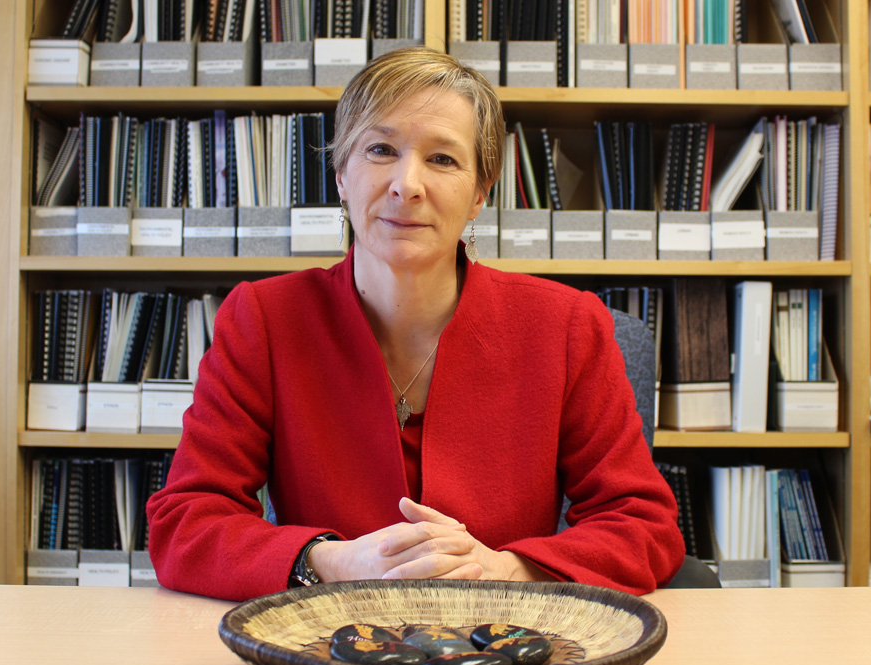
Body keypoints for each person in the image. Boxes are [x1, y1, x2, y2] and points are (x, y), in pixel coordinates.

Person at [146, 47, 685, 601]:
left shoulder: (567, 326)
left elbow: (644, 526)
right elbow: (186, 521)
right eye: (381, 149)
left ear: (480, 192)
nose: (407, 184)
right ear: (341, 174)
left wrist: (504, 570)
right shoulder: (263, 318)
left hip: (506, 649)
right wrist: (330, 561)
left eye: (443, 160)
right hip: (325, 644)